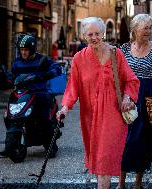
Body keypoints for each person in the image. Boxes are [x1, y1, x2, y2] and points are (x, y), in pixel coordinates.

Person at [56, 17, 140, 189]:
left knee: (104, 157)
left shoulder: (116, 54)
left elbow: (131, 81)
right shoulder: (79, 58)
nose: (94, 37)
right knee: (99, 159)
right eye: (89, 34)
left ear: (103, 33)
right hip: (91, 117)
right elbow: (73, 87)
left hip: (113, 115)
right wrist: (64, 108)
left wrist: (127, 97)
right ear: (84, 36)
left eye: (97, 33)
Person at [118, 14, 152, 189]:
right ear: (135, 30)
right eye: (145, 28)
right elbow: (117, 74)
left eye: (150, 28)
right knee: (125, 140)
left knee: (145, 140)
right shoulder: (124, 49)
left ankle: (138, 182)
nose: (149, 31)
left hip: (150, 99)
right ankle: (121, 183)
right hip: (129, 98)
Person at [0, 34, 62, 158]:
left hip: (39, 93)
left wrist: (44, 75)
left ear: (32, 49)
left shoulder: (42, 59)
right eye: (22, 50)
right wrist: (9, 77)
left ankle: (50, 144)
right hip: (22, 93)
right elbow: (12, 74)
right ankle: (11, 144)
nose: (23, 52)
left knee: (43, 118)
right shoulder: (17, 62)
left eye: (26, 50)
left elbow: (57, 68)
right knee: (9, 115)